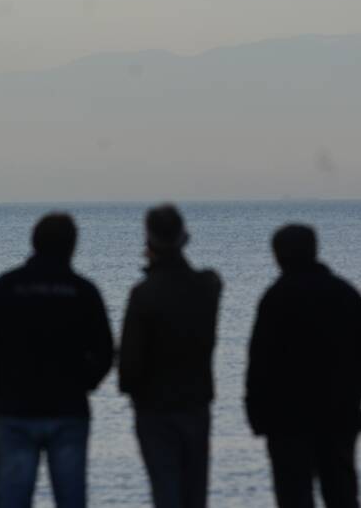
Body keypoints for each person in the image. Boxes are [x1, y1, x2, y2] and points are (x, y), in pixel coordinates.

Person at [0, 213, 114, 508]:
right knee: (71, 497)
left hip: (15, 408)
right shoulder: (83, 291)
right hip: (68, 407)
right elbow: (105, 350)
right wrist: (84, 383)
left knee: (13, 497)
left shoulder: (5, 287)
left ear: (34, 242)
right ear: (72, 246)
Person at [245, 224, 361, 508]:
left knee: (293, 496)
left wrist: (256, 414)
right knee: (342, 493)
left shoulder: (275, 298)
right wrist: (354, 387)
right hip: (339, 413)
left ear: (278, 256)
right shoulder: (345, 293)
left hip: (286, 420)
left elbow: (259, 364)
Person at [118, 204, 222, 508]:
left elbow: (129, 363)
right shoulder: (206, 287)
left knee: (166, 491)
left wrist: (131, 388)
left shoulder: (144, 294)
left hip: (154, 407)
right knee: (195, 493)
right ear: (183, 236)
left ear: (149, 241)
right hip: (195, 402)